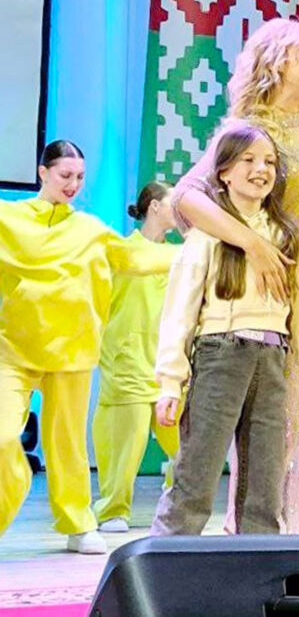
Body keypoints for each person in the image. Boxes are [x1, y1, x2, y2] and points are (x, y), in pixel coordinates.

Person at [170, 18, 299, 534]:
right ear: (276, 62)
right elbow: (186, 198)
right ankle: (257, 536)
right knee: (274, 427)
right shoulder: (249, 129)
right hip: (274, 287)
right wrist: (252, 242)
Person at [0, 140, 176, 553]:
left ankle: (78, 524)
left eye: (79, 177)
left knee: (67, 445)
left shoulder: (90, 229)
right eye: (65, 175)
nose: (73, 184)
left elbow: (136, 258)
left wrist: (203, 252)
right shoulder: (9, 218)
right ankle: (14, 489)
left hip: (73, 353)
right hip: (14, 350)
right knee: (4, 437)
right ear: (43, 173)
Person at [151, 123, 299, 536]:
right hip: (220, 354)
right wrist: (170, 383)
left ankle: (257, 562)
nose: (260, 170)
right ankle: (167, 558)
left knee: (265, 481)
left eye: (269, 162)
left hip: (272, 359)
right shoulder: (207, 236)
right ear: (225, 172)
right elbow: (179, 312)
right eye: (248, 160)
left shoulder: (288, 236)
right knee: (197, 469)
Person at [92, 182, 180, 533]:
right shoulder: (122, 251)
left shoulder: (181, 254)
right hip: (127, 359)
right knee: (124, 442)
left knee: (187, 445)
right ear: (155, 206)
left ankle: (175, 506)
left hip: (169, 364)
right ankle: (113, 509)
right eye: (173, 202)